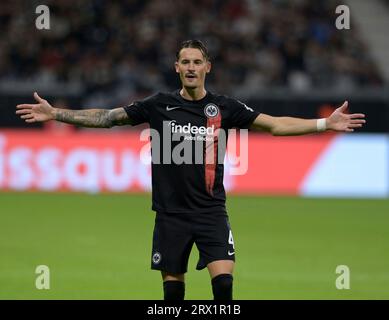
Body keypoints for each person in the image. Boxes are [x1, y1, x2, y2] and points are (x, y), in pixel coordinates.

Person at [16, 40, 366, 300]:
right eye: (185, 61)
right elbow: (108, 118)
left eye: (197, 62)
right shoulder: (158, 105)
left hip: (211, 211)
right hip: (170, 215)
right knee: (173, 298)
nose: (191, 67)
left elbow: (274, 125)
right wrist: (57, 113)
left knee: (224, 288)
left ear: (207, 67)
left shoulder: (225, 107)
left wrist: (324, 124)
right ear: (177, 67)